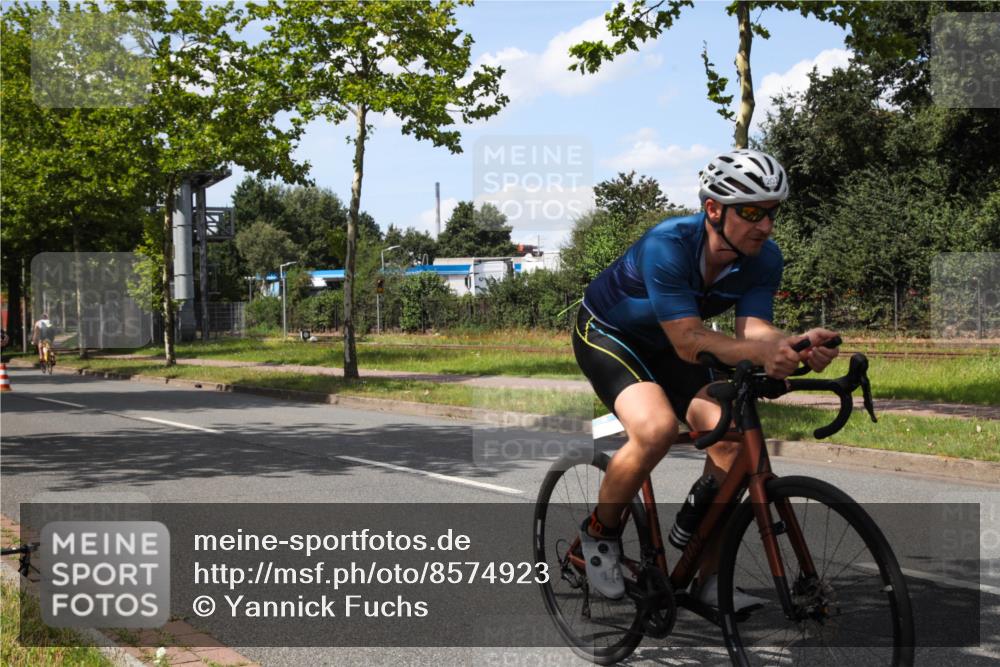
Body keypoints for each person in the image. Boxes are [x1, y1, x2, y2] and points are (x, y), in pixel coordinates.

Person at [573, 149, 840, 604]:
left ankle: (709, 576)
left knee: (733, 438)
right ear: (713, 209)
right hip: (611, 334)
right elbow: (688, 341)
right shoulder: (667, 245)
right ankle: (599, 536)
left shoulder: (762, 257)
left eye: (772, 213)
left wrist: (793, 345)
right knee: (655, 429)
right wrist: (762, 351)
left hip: (676, 340)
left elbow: (752, 330)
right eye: (752, 212)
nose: (765, 225)